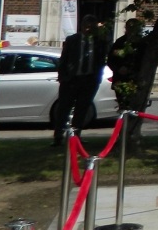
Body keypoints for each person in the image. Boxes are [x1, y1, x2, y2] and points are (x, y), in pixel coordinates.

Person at [53, 14, 110, 146]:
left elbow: (101, 60)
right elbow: (63, 60)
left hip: (89, 81)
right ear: (82, 26)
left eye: (92, 27)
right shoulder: (72, 40)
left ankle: (76, 137)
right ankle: (58, 137)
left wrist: (97, 78)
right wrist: (63, 78)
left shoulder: (99, 42)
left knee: (82, 110)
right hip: (71, 81)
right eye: (86, 26)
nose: (89, 29)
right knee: (64, 109)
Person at [107, 17, 147, 111]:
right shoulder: (119, 42)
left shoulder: (142, 44)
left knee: (134, 108)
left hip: (135, 80)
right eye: (129, 27)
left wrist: (133, 70)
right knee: (123, 107)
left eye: (134, 28)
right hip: (120, 79)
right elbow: (110, 60)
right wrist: (118, 69)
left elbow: (144, 62)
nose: (131, 30)